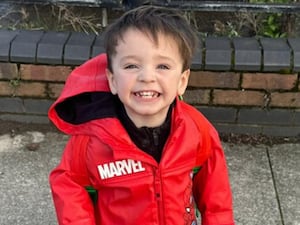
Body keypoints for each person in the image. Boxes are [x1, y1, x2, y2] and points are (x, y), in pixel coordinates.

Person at [49, 5, 235, 225]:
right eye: (131, 65)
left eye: (163, 66)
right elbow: (70, 185)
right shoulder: (90, 141)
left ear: (182, 81)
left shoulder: (196, 129)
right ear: (112, 80)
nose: (147, 77)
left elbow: (216, 196)